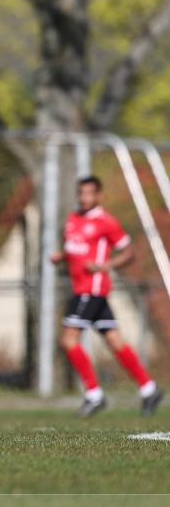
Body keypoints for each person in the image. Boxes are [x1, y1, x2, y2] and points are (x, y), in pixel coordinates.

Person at [50, 176, 163, 418]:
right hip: (82, 288)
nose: (84, 198)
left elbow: (128, 252)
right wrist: (61, 256)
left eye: (89, 193)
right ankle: (149, 389)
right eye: (81, 193)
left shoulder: (106, 222)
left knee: (68, 340)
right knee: (114, 341)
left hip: (91, 290)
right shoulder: (72, 219)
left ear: (98, 196)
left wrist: (106, 265)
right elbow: (76, 250)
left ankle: (94, 394)